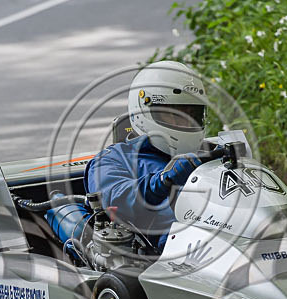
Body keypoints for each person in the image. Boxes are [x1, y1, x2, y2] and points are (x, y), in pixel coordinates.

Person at [83, 60, 207, 250]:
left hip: (226, 232)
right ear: (144, 109)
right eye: (174, 115)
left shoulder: (210, 153)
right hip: (174, 250)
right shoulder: (114, 159)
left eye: (192, 115)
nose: (185, 123)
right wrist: (163, 180)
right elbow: (117, 199)